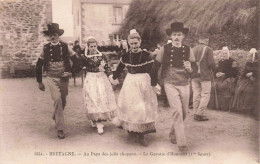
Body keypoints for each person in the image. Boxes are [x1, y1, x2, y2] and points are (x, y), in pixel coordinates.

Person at [151, 22, 195, 152]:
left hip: (185, 83)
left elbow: (195, 68)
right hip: (169, 83)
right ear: (170, 36)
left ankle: (173, 133)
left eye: (179, 35)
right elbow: (155, 66)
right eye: (174, 34)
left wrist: (190, 68)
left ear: (183, 36)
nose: (176, 37)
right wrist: (154, 83)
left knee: (184, 112)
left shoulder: (188, 49)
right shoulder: (164, 49)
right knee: (177, 111)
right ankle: (182, 143)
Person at [110, 29, 158, 147]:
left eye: (136, 43)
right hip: (130, 83)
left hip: (144, 82)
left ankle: (141, 133)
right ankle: (131, 129)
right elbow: (120, 68)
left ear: (140, 42)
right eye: (131, 44)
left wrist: (154, 84)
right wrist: (114, 77)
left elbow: (153, 71)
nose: (134, 46)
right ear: (128, 44)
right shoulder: (126, 56)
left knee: (143, 107)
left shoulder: (147, 55)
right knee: (131, 106)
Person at [36, 23, 79, 139]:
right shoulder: (45, 48)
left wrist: (71, 72)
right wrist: (39, 81)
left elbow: (77, 60)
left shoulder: (65, 46)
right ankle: (60, 128)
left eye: (55, 34)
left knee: (63, 99)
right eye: (50, 35)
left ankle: (56, 114)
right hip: (51, 78)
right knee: (57, 99)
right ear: (49, 36)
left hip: (64, 77)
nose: (53, 37)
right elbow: (39, 64)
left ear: (58, 35)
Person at [82, 37, 117, 134]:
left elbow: (107, 67)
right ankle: (98, 122)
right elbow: (78, 65)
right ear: (88, 47)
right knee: (93, 99)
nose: (93, 48)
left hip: (101, 79)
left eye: (94, 46)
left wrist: (110, 76)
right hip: (91, 79)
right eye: (91, 46)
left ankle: (101, 119)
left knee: (102, 98)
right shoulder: (85, 57)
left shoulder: (102, 56)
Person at [191, 35, 216, 121]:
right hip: (205, 75)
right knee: (205, 94)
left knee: (196, 94)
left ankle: (195, 112)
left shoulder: (192, 49)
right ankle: (200, 114)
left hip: (194, 75)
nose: (208, 41)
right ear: (205, 40)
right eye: (207, 39)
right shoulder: (208, 49)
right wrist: (214, 68)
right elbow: (211, 63)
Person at [208, 46, 238, 111]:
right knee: (213, 86)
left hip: (229, 78)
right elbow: (217, 70)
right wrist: (217, 74)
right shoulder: (220, 62)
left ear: (228, 53)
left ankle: (224, 107)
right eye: (223, 53)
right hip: (220, 78)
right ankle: (215, 106)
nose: (224, 55)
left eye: (226, 53)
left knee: (222, 86)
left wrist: (224, 74)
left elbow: (234, 72)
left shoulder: (233, 61)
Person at [231, 48, 258, 115]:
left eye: (251, 55)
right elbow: (244, 72)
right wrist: (246, 74)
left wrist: (253, 74)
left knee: (249, 90)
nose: (249, 57)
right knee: (240, 89)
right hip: (246, 79)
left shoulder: (258, 63)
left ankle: (249, 109)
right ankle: (241, 108)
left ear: (254, 56)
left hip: (256, 79)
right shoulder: (247, 63)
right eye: (249, 55)